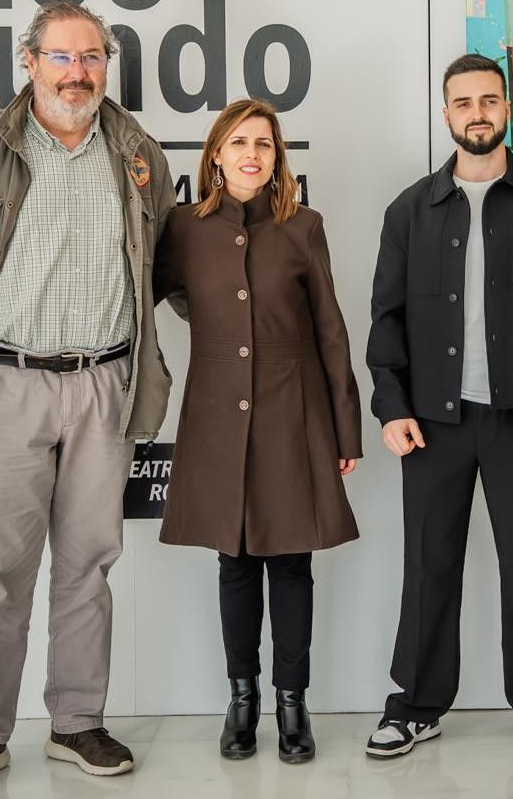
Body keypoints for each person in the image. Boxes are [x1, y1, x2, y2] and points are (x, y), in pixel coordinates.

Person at [0, 0, 176, 795]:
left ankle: (77, 723)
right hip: (2, 385)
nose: (79, 72)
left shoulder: (137, 153)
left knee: (89, 566)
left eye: (92, 57)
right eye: (62, 57)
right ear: (29, 62)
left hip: (103, 387)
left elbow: (167, 270)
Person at [363, 53, 513, 761]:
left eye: (489, 101)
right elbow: (386, 317)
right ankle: (417, 704)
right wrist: (390, 403)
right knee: (429, 563)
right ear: (446, 114)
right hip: (432, 420)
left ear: (507, 109)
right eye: (463, 103)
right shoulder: (409, 211)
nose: (478, 114)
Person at [153, 98, 362, 765]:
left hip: (292, 411)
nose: (251, 154)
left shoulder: (304, 227)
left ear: (278, 158)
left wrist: (345, 430)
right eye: (239, 142)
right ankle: (240, 702)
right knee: (234, 560)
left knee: (292, 560)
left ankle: (292, 705)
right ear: (215, 153)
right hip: (217, 415)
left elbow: (330, 329)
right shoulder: (183, 227)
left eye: (264, 145)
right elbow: (156, 294)